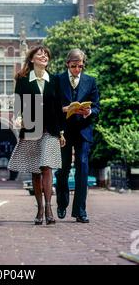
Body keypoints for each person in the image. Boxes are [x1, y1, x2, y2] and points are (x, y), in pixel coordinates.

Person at [8, 45, 66, 225]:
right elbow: (18, 105)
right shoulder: (23, 79)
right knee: (35, 170)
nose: (43, 56)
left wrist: (61, 132)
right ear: (32, 59)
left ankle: (49, 208)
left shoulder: (55, 80)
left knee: (46, 167)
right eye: (39, 54)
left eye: (46, 54)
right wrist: (18, 119)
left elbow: (59, 108)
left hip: (51, 129)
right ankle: (39, 208)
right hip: (31, 129)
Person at [55, 49, 100, 223]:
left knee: (82, 168)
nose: (77, 70)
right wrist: (64, 109)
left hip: (83, 131)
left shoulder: (90, 81)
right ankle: (61, 202)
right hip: (64, 132)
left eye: (80, 66)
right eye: (74, 66)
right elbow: (51, 106)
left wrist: (89, 111)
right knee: (63, 169)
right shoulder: (58, 80)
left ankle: (80, 211)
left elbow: (97, 107)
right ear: (68, 64)